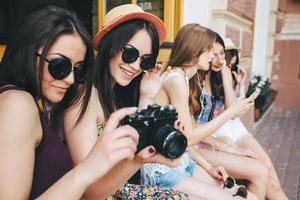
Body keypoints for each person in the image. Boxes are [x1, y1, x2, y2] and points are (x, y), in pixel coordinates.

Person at [0, 5, 144, 200]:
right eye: (60, 66)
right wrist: (88, 168)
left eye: (78, 70)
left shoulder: (30, 102)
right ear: (27, 52)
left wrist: (137, 160)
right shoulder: (17, 104)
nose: (70, 79)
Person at [63, 4, 189, 199]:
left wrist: (146, 95)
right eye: (129, 54)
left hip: (121, 188)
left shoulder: (119, 93)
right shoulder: (84, 97)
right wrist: (137, 161)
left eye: (146, 60)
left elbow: (137, 152)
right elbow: (88, 191)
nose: (136, 66)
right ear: (109, 44)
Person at [140, 23, 259, 200]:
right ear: (195, 50)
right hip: (163, 171)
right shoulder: (176, 79)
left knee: (249, 197)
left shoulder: (185, 79)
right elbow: (190, 136)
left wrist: (209, 167)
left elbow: (182, 138)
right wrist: (230, 112)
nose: (213, 55)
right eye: (210, 50)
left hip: (182, 161)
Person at [195, 33, 287, 200]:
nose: (218, 59)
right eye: (213, 54)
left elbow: (232, 111)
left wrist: (225, 75)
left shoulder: (217, 78)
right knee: (260, 169)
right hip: (200, 144)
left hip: (212, 138)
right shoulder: (195, 82)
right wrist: (231, 149)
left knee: (265, 168)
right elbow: (196, 128)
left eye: (222, 53)